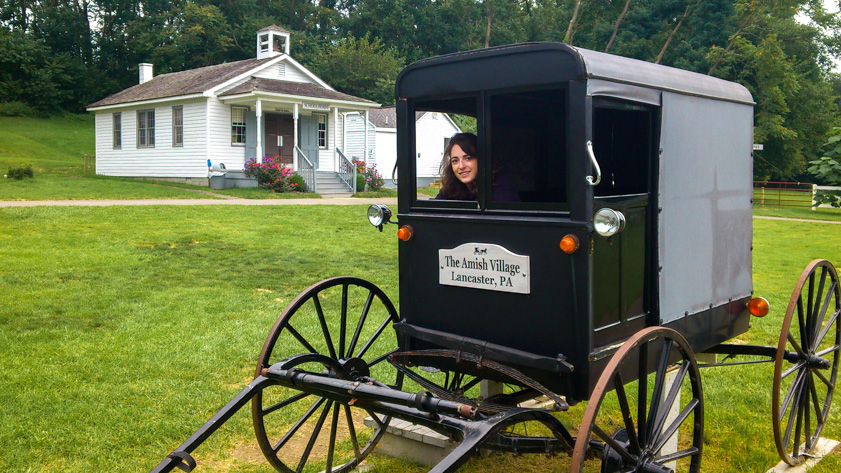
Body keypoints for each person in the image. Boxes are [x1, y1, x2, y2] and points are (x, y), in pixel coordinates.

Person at [435, 133, 520, 202]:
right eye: (455, 161)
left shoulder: (500, 186)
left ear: (481, 159)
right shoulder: (452, 187)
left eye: (468, 158)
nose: (461, 166)